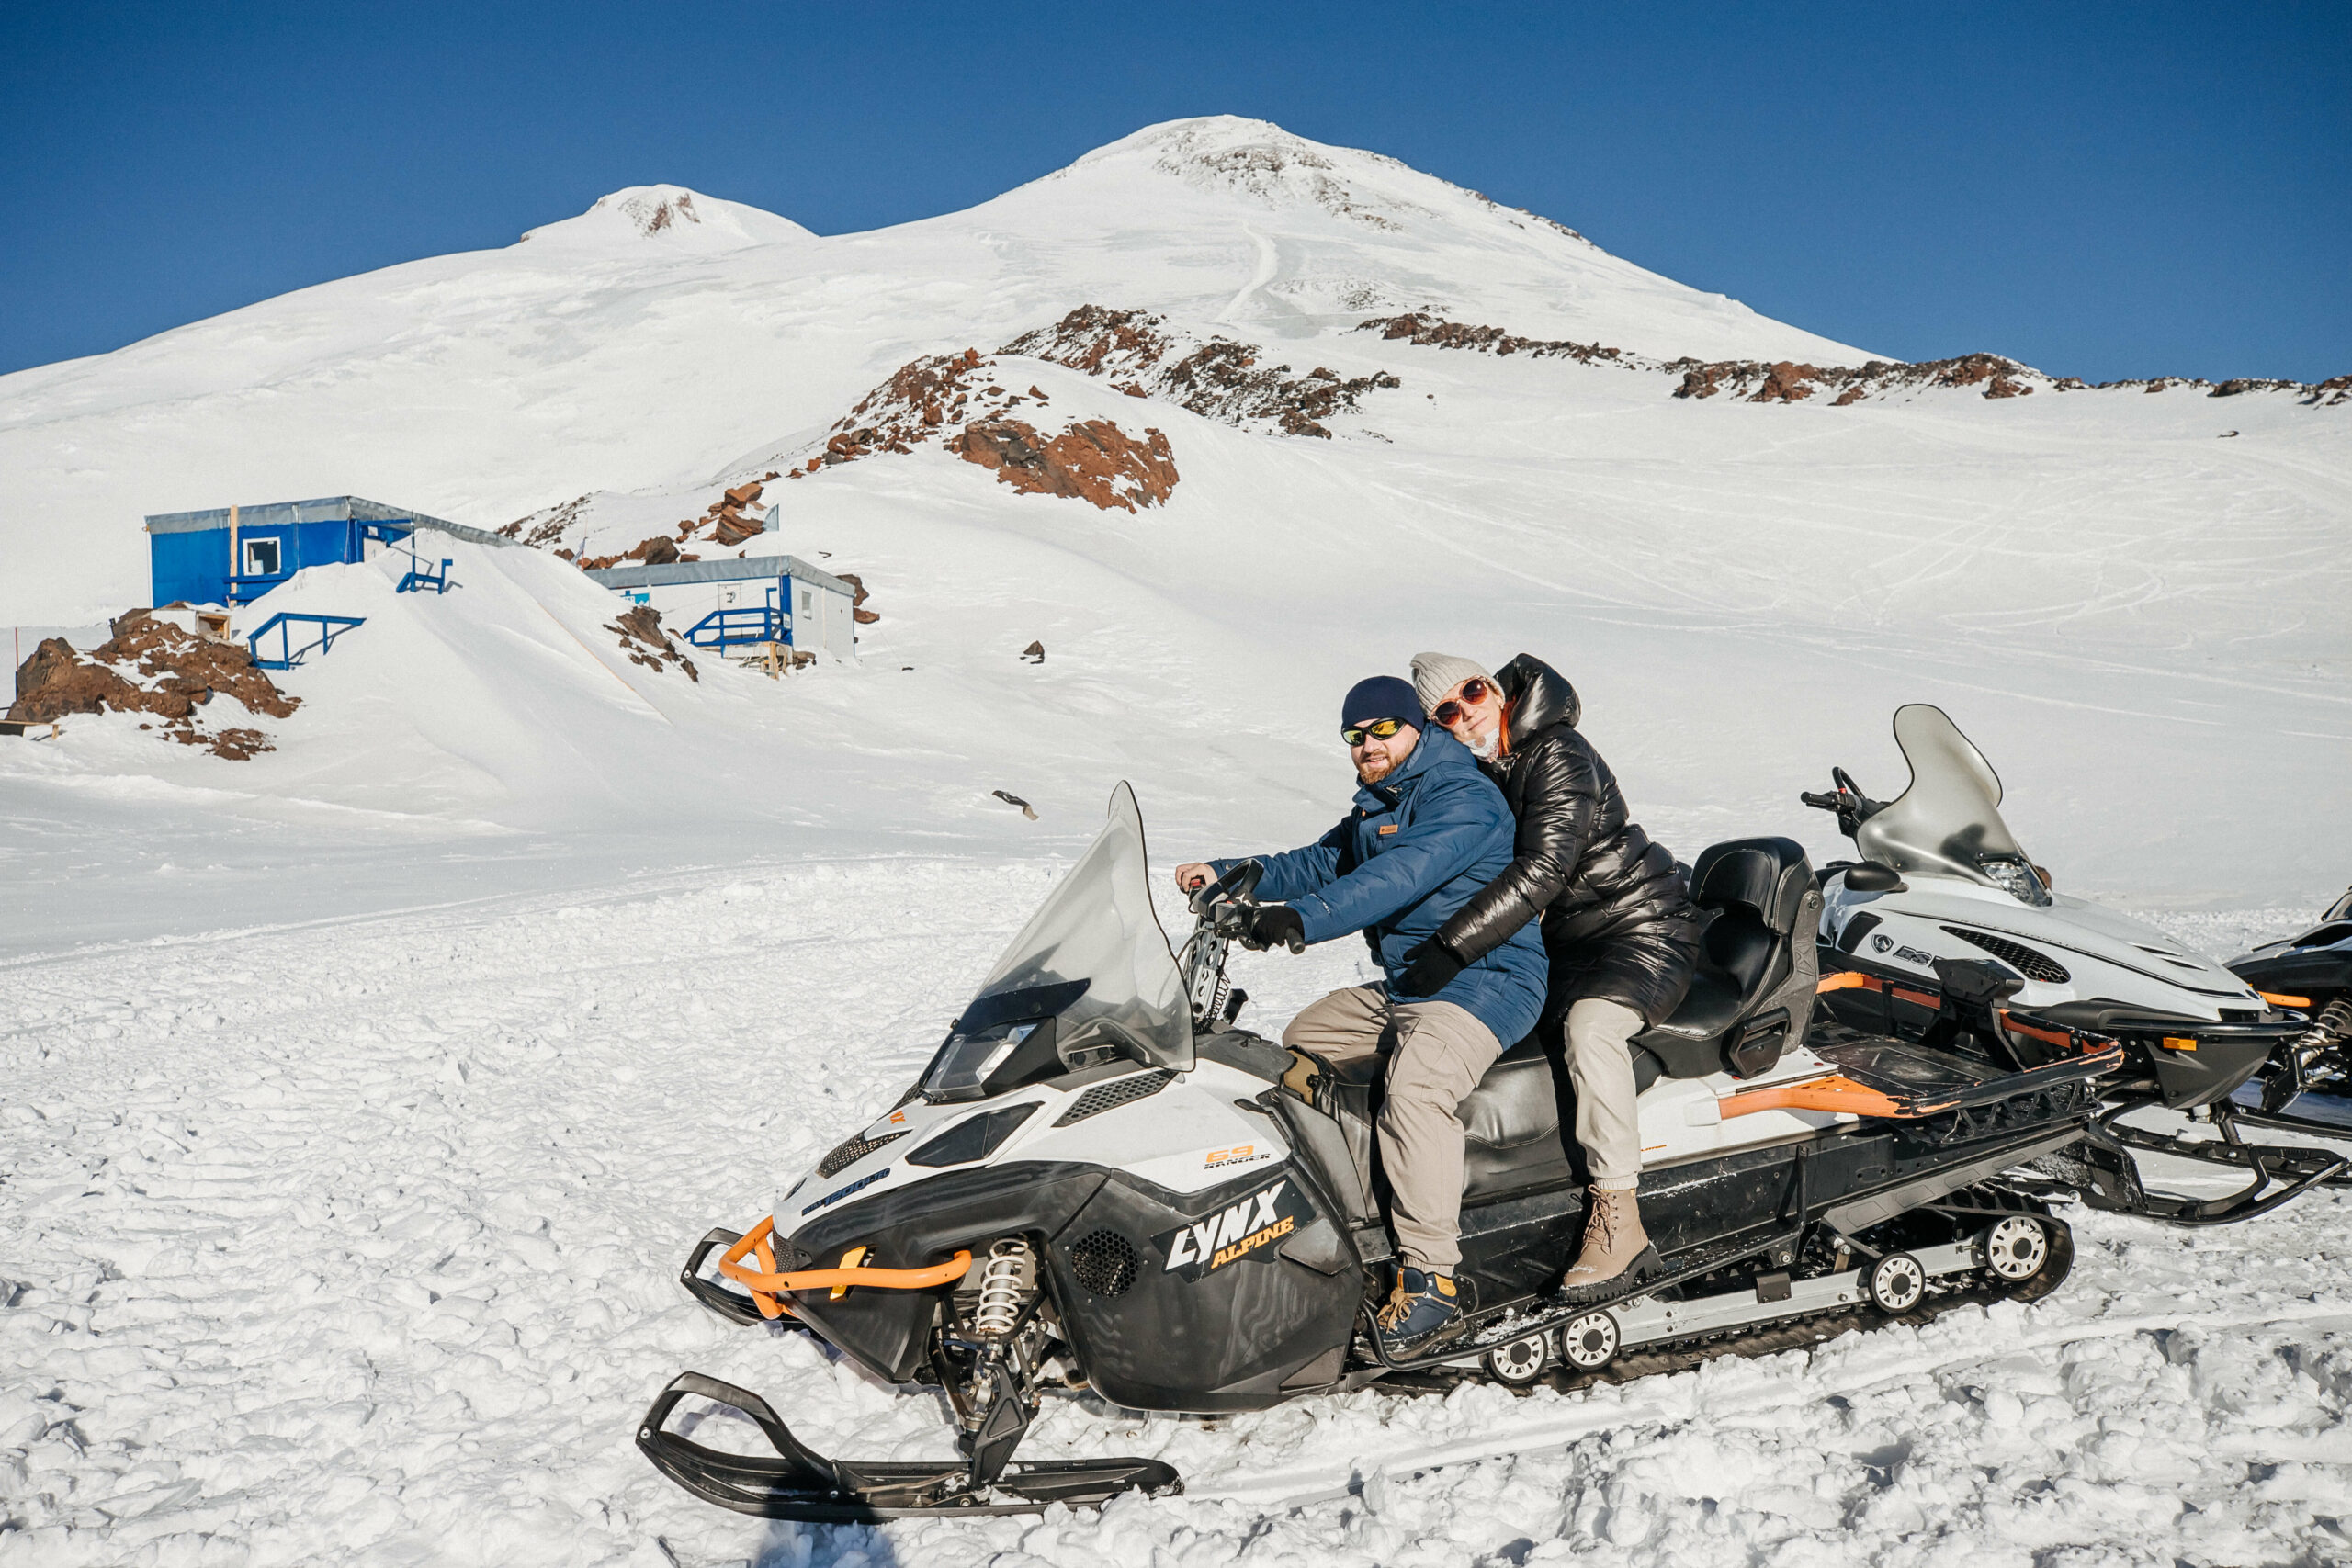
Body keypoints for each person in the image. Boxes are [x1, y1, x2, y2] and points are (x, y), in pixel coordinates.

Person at [1174, 675, 1545, 1355]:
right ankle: (1355, 1196)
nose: (1368, 744)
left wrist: (1299, 920)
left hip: (1486, 981)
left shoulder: (1461, 797)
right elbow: (1322, 860)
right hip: (1413, 983)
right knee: (1303, 1038)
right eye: (1355, 734)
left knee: (1417, 1090)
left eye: (1382, 730)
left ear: (1416, 729)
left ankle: (1434, 1277)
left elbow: (1394, 877)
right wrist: (1231, 874)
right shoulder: (1383, 800)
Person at [1401, 652, 1700, 1303]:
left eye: (1473, 691)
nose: (1467, 712)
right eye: (1447, 712)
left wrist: (1452, 946)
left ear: (1496, 687)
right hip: (1568, 944)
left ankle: (1620, 1217)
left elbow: (1543, 870)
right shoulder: (1483, 772)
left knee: (1591, 1030)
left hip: (1640, 931)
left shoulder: (1557, 751)